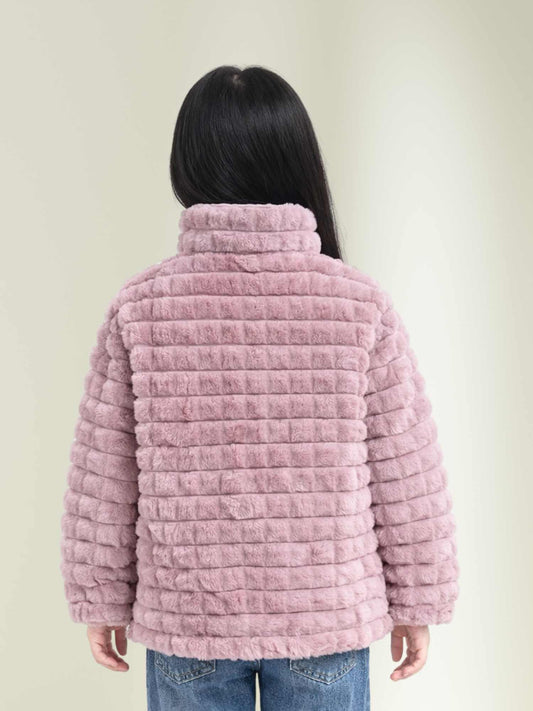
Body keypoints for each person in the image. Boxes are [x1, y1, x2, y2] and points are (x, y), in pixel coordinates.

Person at [59, 65, 459, 711]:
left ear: (187, 164)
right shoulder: (358, 303)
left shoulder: (141, 305)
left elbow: (104, 473)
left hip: (189, 614)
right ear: (298, 160)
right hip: (323, 614)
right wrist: (417, 599)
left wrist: (100, 594)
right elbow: (405, 468)